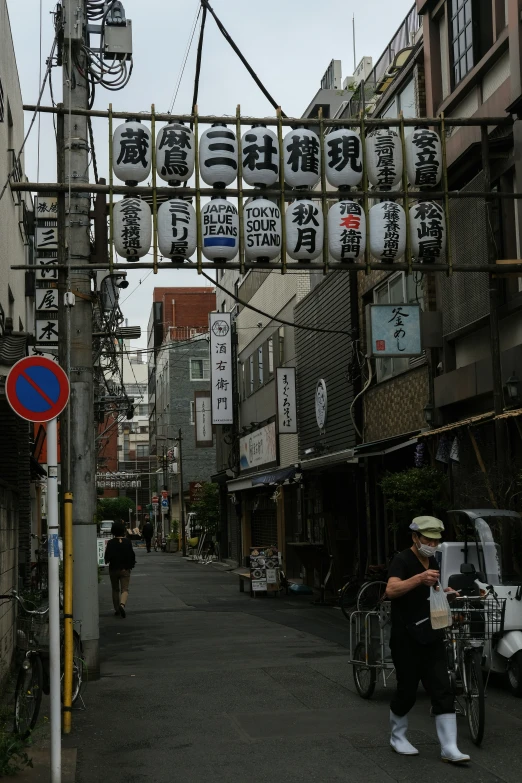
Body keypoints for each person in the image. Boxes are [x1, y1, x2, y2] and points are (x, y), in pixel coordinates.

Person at [386, 516, 470, 764]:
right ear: (414, 537)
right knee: (407, 691)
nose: (432, 544)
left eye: (435, 540)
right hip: (406, 637)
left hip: (432, 633)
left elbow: (430, 590)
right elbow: (391, 590)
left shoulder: (432, 559)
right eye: (427, 539)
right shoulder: (401, 560)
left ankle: (449, 747)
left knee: (443, 688)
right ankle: (397, 737)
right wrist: (418, 579)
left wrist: (445, 593)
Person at [104, 520, 136, 618]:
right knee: (125, 589)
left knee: (115, 589)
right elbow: (132, 556)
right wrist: (130, 565)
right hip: (125, 569)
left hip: (113, 569)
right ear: (123, 530)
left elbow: (107, 557)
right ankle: (122, 604)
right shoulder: (127, 542)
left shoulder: (110, 543)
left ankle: (117, 609)